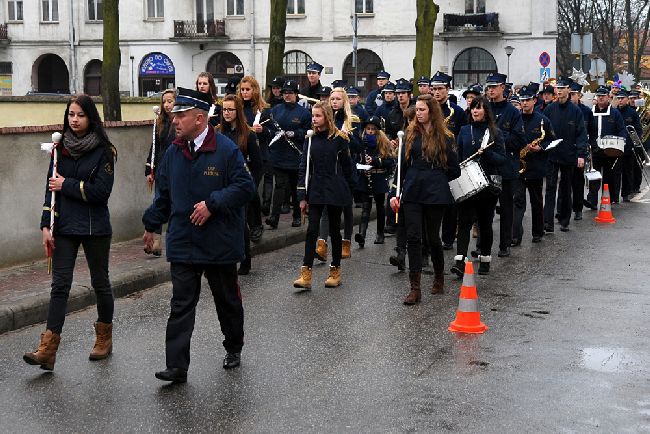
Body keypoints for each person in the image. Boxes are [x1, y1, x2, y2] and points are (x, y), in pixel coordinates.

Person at [142, 88, 255, 383]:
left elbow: (246, 188)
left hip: (219, 241)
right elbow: (163, 195)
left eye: (181, 116)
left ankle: (234, 346)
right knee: (181, 304)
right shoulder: (173, 152)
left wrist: (213, 204)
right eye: (174, 115)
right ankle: (177, 366)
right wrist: (152, 224)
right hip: (183, 240)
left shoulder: (226, 150)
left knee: (226, 300)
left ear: (200, 118)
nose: (174, 121)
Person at [24, 94, 117, 370]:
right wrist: (45, 225)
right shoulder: (59, 147)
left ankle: (104, 338)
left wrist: (67, 185)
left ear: (91, 118)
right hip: (64, 226)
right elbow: (49, 189)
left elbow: (101, 192)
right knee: (60, 286)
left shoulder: (104, 151)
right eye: (71, 114)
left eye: (80, 115)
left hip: (95, 227)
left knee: (100, 282)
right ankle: (48, 349)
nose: (74, 120)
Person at [390, 94, 461, 304]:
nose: (418, 113)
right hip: (412, 190)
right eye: (417, 110)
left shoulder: (445, 136)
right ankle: (415, 288)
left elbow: (454, 169)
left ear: (431, 111)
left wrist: (437, 176)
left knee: (432, 238)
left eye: (422, 110)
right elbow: (401, 168)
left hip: (435, 191)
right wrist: (396, 193)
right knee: (413, 237)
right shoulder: (410, 134)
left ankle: (439, 276)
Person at [293, 102, 354, 289]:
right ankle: (306, 273)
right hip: (316, 188)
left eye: (318, 116)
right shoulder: (310, 138)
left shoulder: (340, 139)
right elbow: (304, 168)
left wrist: (349, 191)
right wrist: (302, 196)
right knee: (312, 230)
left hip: (335, 188)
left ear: (327, 117)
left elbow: (347, 168)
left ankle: (335, 270)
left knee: (335, 230)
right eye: (313, 115)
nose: (314, 119)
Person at [451, 96, 507, 277]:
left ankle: (485, 258)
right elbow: (459, 156)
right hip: (468, 183)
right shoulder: (465, 131)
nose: (475, 111)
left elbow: (502, 159)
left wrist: (488, 153)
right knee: (464, 222)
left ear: (486, 111)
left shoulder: (495, 133)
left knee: (484, 223)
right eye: (473, 108)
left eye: (479, 108)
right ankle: (460, 261)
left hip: (488, 185)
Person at [218, 94, 263, 276]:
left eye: (230, 109)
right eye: (224, 109)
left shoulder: (248, 134)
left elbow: (258, 165)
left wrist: (251, 186)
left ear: (238, 111)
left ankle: (245, 259)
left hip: (241, 185)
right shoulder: (218, 131)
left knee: (240, 223)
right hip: (222, 184)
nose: (227, 113)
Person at [314, 87, 359, 261]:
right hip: (329, 168)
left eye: (338, 99)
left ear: (344, 101)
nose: (334, 102)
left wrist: (349, 138)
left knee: (346, 206)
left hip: (346, 167)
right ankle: (322, 244)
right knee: (326, 207)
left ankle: (346, 243)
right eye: (332, 99)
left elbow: (358, 146)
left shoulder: (351, 119)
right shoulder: (325, 117)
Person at [486, 72, 525, 258]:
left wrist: (497, 137)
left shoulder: (513, 112)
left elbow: (519, 140)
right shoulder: (484, 108)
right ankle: (483, 245)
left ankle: (505, 243)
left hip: (507, 166)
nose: (491, 90)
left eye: (494, 87)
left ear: (503, 88)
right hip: (488, 165)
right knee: (485, 209)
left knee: (506, 207)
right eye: (489, 87)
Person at [543, 77, 589, 232]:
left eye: (563, 88)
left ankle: (564, 220)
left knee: (566, 188)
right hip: (551, 155)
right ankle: (547, 222)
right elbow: (543, 132)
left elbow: (581, 134)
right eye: (558, 88)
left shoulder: (576, 111)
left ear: (569, 90)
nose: (560, 91)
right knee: (549, 188)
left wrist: (581, 154)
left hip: (569, 155)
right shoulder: (549, 109)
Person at [266, 79, 312, 229]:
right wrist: (274, 134)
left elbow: (308, 132)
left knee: (294, 188)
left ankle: (297, 217)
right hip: (278, 154)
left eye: (290, 93)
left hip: (295, 155)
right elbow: (270, 129)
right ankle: (274, 217)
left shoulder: (304, 113)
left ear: (296, 94)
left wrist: (296, 133)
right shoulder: (276, 110)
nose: (287, 95)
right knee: (279, 186)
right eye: (285, 92)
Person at [512, 85, 555, 245]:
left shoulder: (543, 120)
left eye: (527, 100)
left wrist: (541, 147)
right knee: (518, 201)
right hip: (519, 166)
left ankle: (537, 232)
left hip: (536, 166)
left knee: (536, 201)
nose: (524, 103)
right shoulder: (515, 118)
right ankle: (515, 236)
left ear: (534, 100)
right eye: (522, 101)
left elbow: (552, 140)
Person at [430, 71, 466, 251]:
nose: (437, 92)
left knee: (451, 202)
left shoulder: (457, 112)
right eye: (434, 89)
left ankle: (448, 237)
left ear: (448, 89)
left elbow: (463, 135)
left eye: (440, 89)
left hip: (450, 161)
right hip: (432, 161)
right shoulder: (427, 110)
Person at [354, 116, 395, 247]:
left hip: (378, 177)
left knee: (379, 207)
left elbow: (390, 161)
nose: (370, 131)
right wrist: (361, 167)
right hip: (366, 178)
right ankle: (362, 235)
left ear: (378, 131)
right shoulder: (361, 143)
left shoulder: (383, 143)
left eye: (373, 129)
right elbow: (355, 159)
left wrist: (376, 161)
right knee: (365, 207)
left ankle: (380, 233)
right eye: (368, 129)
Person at [145, 88, 176, 256]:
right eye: (164, 102)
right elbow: (154, 147)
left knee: (173, 204)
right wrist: (149, 169)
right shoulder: (160, 123)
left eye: (170, 101)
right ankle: (156, 241)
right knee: (158, 201)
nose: (167, 105)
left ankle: (173, 238)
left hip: (176, 169)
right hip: (161, 169)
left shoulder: (180, 121)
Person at [239, 75, 270, 242]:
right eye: (242, 90)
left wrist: (262, 130)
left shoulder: (263, 110)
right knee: (245, 191)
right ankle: (245, 225)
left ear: (254, 90)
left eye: (248, 89)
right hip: (242, 157)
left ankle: (256, 225)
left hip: (259, 157)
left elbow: (272, 133)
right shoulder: (237, 109)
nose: (244, 93)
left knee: (251, 190)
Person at [569, 82, 597, 218]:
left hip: (580, 149)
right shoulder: (565, 108)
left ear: (579, 95)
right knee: (564, 182)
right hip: (565, 150)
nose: (571, 96)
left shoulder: (586, 111)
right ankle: (563, 209)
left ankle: (578, 209)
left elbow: (592, 130)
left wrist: (590, 145)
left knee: (578, 181)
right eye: (570, 94)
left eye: (573, 94)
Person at [616, 90, 643, 202]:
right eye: (619, 98)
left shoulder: (633, 113)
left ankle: (626, 193)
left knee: (628, 171)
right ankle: (614, 195)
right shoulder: (614, 111)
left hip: (629, 146)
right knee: (616, 172)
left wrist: (634, 143)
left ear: (627, 99)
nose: (620, 100)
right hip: (617, 146)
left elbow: (638, 129)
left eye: (622, 98)